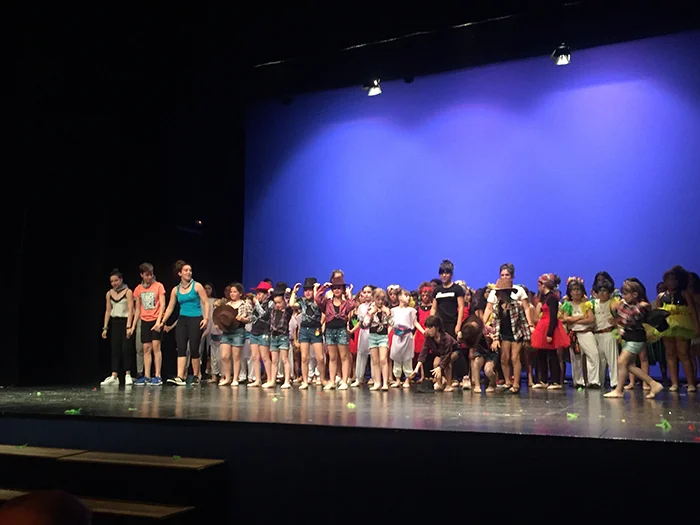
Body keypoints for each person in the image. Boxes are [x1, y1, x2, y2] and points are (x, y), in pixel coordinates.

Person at [604, 280, 664, 399]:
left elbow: (629, 318)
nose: (624, 297)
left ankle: (619, 390)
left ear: (635, 294)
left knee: (621, 361)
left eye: (626, 294)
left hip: (636, 338)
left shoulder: (641, 306)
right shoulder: (626, 304)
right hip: (629, 337)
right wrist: (616, 308)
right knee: (628, 365)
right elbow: (619, 318)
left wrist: (621, 308)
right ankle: (653, 384)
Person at [161, 260, 209, 386]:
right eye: (186, 270)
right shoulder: (175, 290)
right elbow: (170, 307)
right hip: (182, 320)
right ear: (180, 273)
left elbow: (205, 302)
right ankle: (180, 376)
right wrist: (162, 321)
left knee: (194, 348)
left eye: (190, 270)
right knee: (181, 348)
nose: (189, 272)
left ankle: (196, 375)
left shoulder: (197, 286)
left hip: (195, 318)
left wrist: (206, 318)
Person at [656, 265, 698, 392]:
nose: (671, 282)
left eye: (674, 280)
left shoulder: (684, 294)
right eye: (668, 280)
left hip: (682, 326)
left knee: (684, 353)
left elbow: (693, 311)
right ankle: (674, 383)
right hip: (667, 327)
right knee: (670, 354)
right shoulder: (661, 296)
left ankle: (691, 383)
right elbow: (658, 313)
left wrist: (696, 326)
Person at [489, 277, 531, 394]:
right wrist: (495, 338)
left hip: (516, 334)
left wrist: (527, 338)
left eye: (499, 292)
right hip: (504, 334)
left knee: (515, 358)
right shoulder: (497, 306)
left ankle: (516, 384)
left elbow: (523, 321)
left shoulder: (517, 305)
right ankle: (508, 382)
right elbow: (495, 323)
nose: (497, 295)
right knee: (504, 358)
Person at [315, 272, 355, 390]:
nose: (337, 290)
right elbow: (317, 299)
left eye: (339, 288)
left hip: (341, 330)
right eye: (335, 288)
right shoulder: (327, 303)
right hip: (330, 331)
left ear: (342, 290)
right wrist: (324, 287)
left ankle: (344, 381)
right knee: (332, 357)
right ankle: (332, 381)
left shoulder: (345, 303)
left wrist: (348, 294)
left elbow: (352, 305)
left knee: (344, 357)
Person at [531, 273, 569, 389]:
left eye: (539, 285)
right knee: (541, 353)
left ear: (544, 285)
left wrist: (550, 333)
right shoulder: (545, 298)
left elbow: (553, 316)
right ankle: (543, 380)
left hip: (549, 327)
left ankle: (555, 381)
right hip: (543, 326)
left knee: (552, 354)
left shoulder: (552, 298)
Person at [560, 277, 600, 388]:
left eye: (579, 289)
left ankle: (593, 381)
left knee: (593, 354)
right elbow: (565, 319)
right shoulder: (568, 305)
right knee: (576, 358)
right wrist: (582, 317)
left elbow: (590, 319)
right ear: (570, 292)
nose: (576, 292)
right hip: (574, 334)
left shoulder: (586, 304)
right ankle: (578, 381)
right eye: (574, 290)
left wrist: (574, 319)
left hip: (586, 332)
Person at [289, 277, 327, 390]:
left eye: (310, 290)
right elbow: (291, 304)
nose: (308, 292)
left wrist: (316, 290)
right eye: (306, 290)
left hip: (315, 330)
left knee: (320, 357)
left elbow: (317, 304)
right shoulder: (302, 301)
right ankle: (305, 381)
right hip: (304, 330)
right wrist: (294, 292)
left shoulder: (319, 300)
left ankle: (322, 379)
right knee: (304, 357)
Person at [132, 263, 166, 386]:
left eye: (151, 274)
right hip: (145, 321)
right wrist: (133, 326)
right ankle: (146, 376)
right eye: (147, 275)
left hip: (156, 320)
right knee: (146, 348)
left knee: (156, 347)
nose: (149, 277)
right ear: (142, 275)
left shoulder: (159, 286)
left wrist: (159, 322)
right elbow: (137, 309)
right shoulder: (138, 289)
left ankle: (157, 375)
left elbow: (162, 305)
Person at [100, 269, 134, 386]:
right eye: (112, 281)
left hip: (125, 322)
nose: (114, 283)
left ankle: (128, 374)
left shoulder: (128, 292)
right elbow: (108, 310)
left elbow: (131, 310)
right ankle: (114, 376)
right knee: (115, 349)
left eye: (116, 280)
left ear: (121, 280)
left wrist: (129, 326)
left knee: (126, 349)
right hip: (115, 322)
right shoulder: (109, 294)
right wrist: (105, 327)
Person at [411, 315, 460, 392]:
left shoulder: (447, 338)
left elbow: (447, 355)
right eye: (427, 327)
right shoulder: (429, 338)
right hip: (441, 353)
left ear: (437, 328)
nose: (427, 330)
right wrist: (416, 369)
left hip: (453, 351)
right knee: (435, 363)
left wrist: (440, 367)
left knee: (447, 363)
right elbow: (423, 352)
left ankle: (449, 385)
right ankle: (439, 383)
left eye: (430, 328)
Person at [217, 283, 251, 386]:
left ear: (240, 293)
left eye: (235, 292)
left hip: (238, 331)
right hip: (226, 332)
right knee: (224, 356)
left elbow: (250, 318)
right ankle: (227, 377)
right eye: (231, 292)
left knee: (236, 357)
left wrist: (243, 319)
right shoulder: (227, 305)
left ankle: (235, 378)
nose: (232, 294)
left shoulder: (245, 304)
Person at [390, 289, 424, 388]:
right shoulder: (393, 310)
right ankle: (397, 379)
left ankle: (407, 379)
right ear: (399, 297)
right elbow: (391, 324)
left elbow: (415, 322)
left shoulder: (411, 310)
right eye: (405, 295)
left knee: (407, 358)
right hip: (397, 336)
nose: (408, 297)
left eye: (409, 296)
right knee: (396, 358)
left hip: (407, 336)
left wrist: (423, 331)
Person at [591, 272, 619, 389]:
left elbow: (622, 314)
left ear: (609, 292)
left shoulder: (613, 303)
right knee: (599, 359)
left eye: (605, 291)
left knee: (612, 359)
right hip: (596, 334)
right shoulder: (592, 303)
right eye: (600, 291)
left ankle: (615, 382)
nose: (602, 293)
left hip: (608, 333)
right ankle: (599, 381)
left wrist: (616, 321)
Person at [363, 288, 393, 390]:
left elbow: (392, 323)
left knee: (383, 359)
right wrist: (370, 314)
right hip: (372, 336)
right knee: (375, 361)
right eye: (378, 299)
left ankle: (385, 383)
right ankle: (377, 382)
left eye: (382, 299)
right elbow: (365, 324)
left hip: (383, 336)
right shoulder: (370, 309)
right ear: (374, 299)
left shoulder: (387, 309)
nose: (380, 302)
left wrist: (388, 314)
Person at [461, 316, 498, 393]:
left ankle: (492, 383)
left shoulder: (486, 329)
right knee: (476, 361)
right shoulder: (469, 332)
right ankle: (477, 386)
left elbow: (495, 336)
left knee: (488, 370)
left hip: (491, 352)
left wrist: (494, 340)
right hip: (481, 351)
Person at [248, 281, 274, 387]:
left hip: (264, 331)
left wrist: (257, 304)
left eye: (259, 294)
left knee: (265, 356)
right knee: (255, 357)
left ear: (266, 294)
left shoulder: (270, 303)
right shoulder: (257, 304)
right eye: (257, 294)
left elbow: (264, 315)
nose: (257, 296)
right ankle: (257, 379)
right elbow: (253, 318)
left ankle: (270, 379)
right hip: (254, 331)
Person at [431, 259, 465, 339]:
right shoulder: (437, 290)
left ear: (451, 274)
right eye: (442, 273)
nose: (444, 275)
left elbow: (461, 307)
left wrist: (458, 325)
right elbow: (433, 308)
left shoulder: (457, 289)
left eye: (446, 273)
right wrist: (431, 324)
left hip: (452, 323)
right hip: (439, 324)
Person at [269, 284, 293, 389]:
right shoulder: (273, 310)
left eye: (279, 302)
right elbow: (268, 302)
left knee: (285, 359)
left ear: (284, 301)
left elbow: (289, 304)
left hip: (283, 336)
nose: (277, 305)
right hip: (274, 337)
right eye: (276, 303)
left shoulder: (287, 311)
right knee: (274, 361)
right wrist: (271, 293)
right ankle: (272, 381)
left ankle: (287, 381)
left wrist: (287, 294)